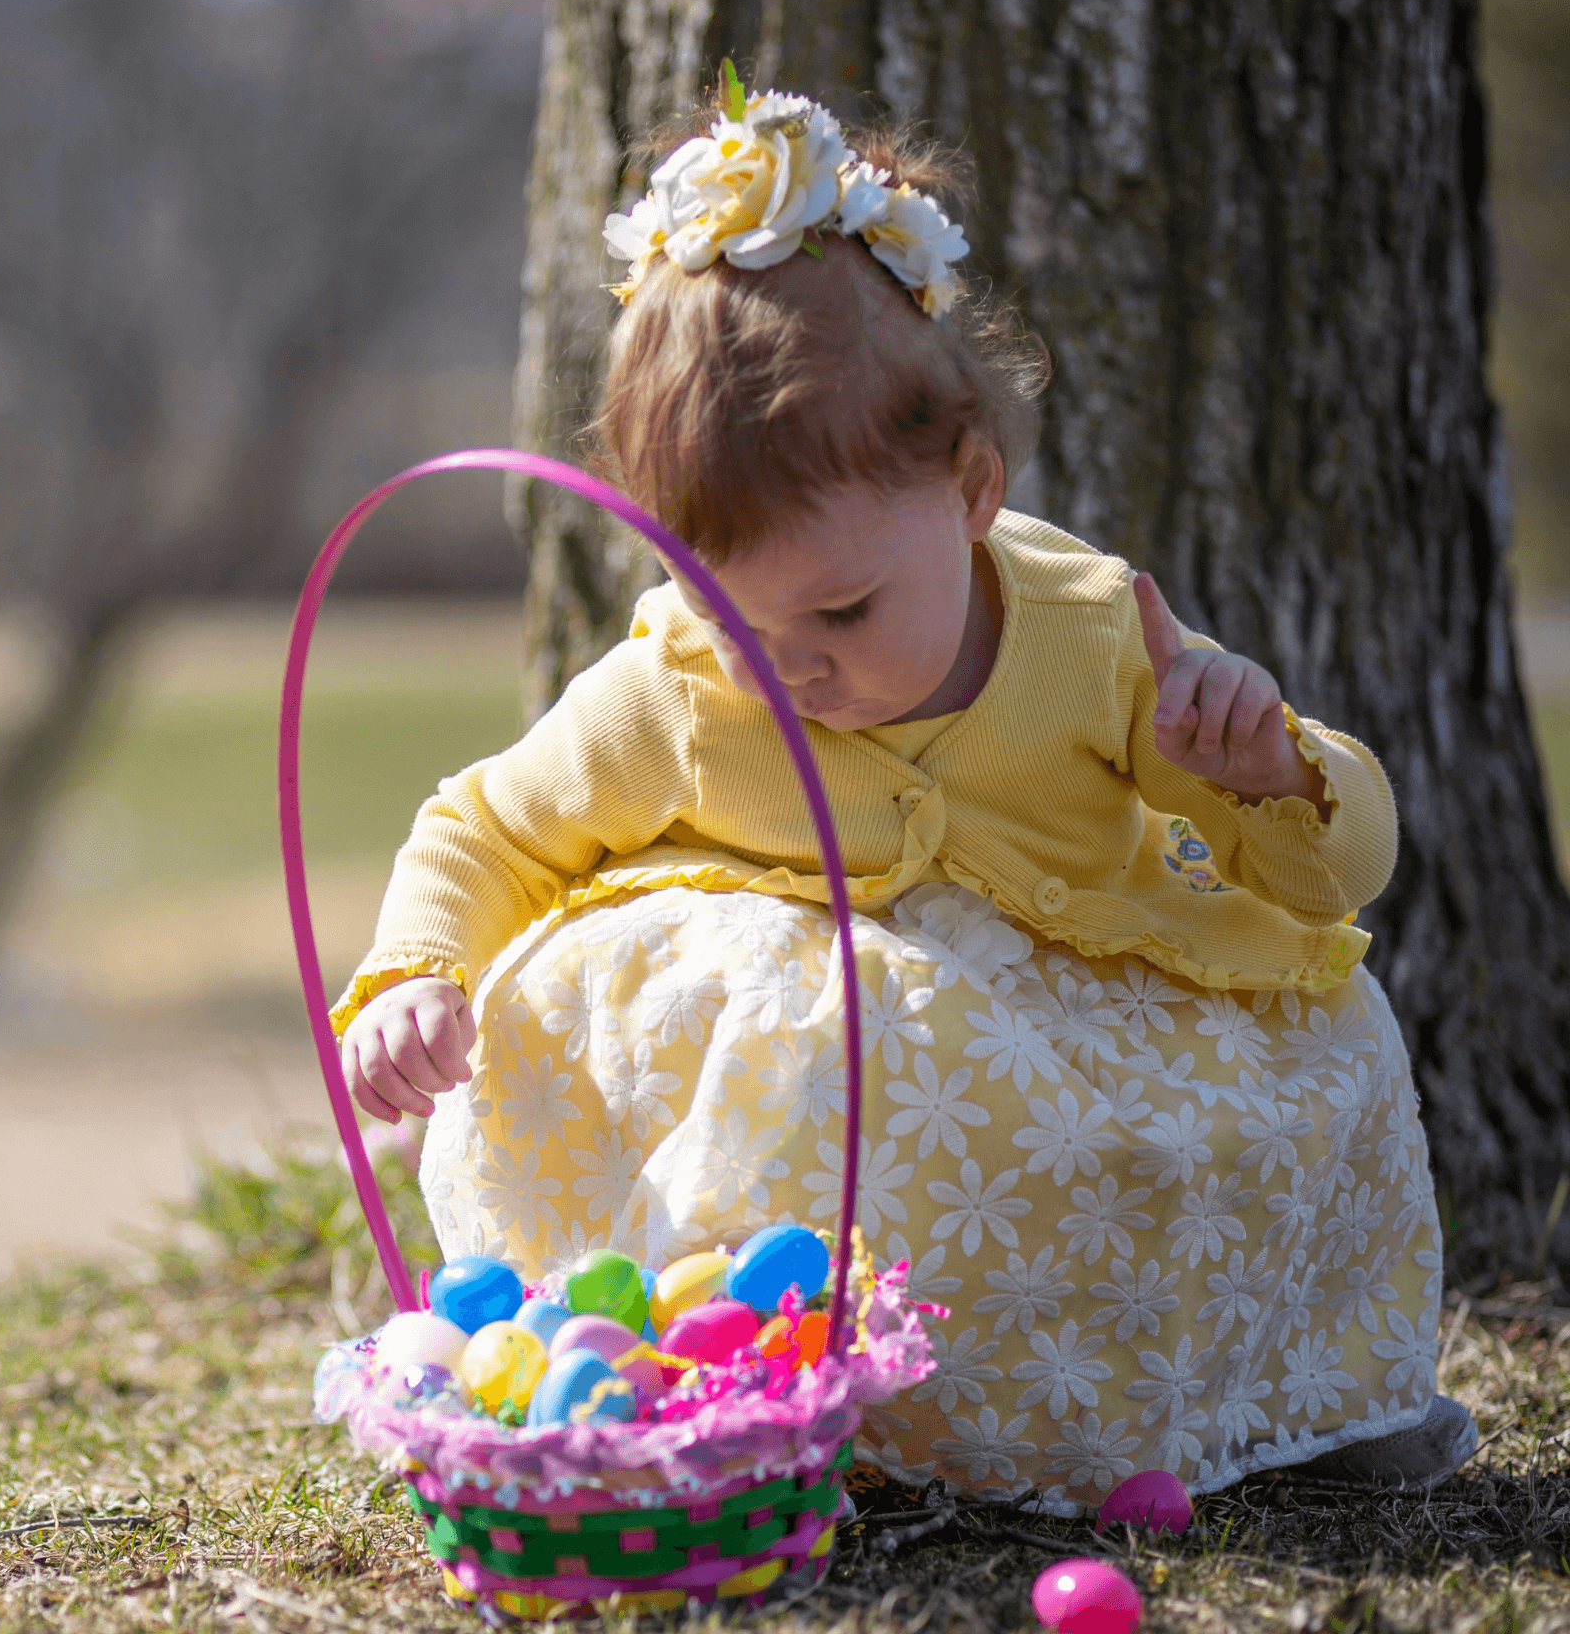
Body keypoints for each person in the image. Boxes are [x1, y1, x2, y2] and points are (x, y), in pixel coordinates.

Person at [332, 74, 1474, 1512]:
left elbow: (1333, 879)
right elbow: (488, 824)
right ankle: (773, 1398)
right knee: (841, 1052)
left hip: (1062, 1030)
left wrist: (1270, 777)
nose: (790, 672)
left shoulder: (1093, 634)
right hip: (833, 1065)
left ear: (972, 488)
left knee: (1321, 1047)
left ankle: (1268, 1394)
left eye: (846, 615)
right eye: (737, 623)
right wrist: (416, 969)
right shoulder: (678, 692)